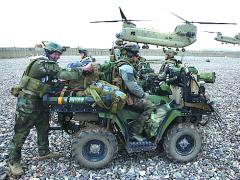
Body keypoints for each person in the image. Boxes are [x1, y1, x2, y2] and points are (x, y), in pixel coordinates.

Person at [8, 41, 93, 176]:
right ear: (50, 52)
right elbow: (63, 73)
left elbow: (53, 78)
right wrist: (83, 69)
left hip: (40, 101)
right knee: (21, 132)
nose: (58, 57)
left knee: (43, 126)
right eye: (57, 54)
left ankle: (44, 152)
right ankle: (13, 162)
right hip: (28, 102)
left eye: (59, 54)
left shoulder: (46, 63)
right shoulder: (43, 63)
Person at [100, 42, 153, 139]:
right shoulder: (126, 67)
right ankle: (134, 132)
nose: (137, 57)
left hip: (120, 93)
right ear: (132, 55)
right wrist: (143, 94)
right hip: (125, 96)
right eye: (136, 55)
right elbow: (132, 86)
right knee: (150, 106)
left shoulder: (119, 62)